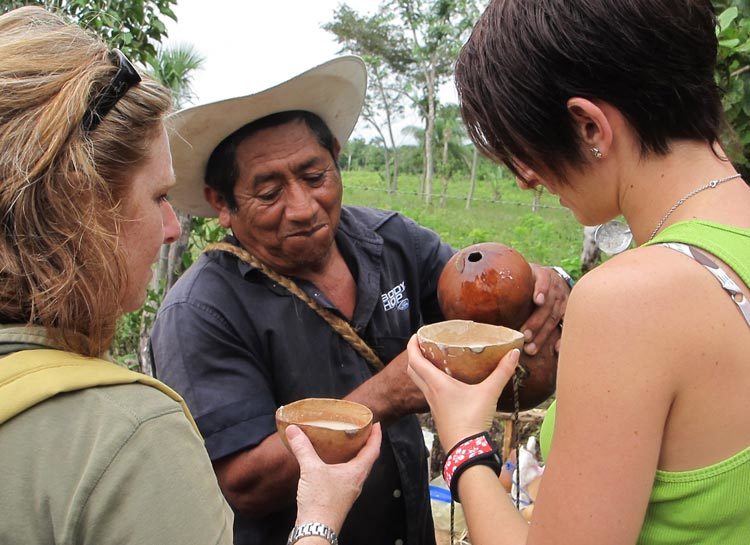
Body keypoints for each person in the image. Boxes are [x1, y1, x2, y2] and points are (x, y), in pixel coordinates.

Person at [149, 56, 570, 545]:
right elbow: (244, 481)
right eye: (269, 192)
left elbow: (476, 293)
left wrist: (543, 283)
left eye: (314, 176)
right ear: (222, 202)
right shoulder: (201, 312)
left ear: (336, 154)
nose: (304, 208)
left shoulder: (391, 241)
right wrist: (385, 397)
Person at [0, 7, 380, 545]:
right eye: (157, 197)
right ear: (80, 211)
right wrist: (319, 514)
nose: (174, 228)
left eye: (315, 175)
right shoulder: (128, 436)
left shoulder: (384, 238)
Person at [403, 1, 750, 544]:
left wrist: (464, 437)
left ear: (589, 125)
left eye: (525, 153)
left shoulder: (631, 301)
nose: (526, 180)